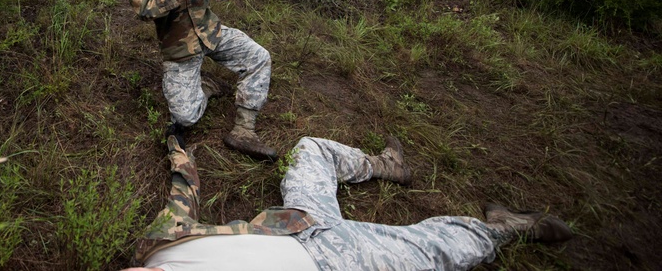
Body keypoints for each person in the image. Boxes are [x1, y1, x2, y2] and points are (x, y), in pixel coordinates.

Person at [124, 133, 572, 271]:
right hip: (337, 263)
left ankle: (383, 165)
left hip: (300, 223)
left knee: (308, 150)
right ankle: (501, 228)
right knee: (439, 250)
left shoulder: (158, 244)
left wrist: (177, 152)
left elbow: (182, 195)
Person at [127, 0, 278, 160]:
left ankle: (243, 130)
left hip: (212, 32)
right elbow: (142, 7)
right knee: (186, 117)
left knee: (259, 57)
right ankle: (206, 86)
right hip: (180, 47)